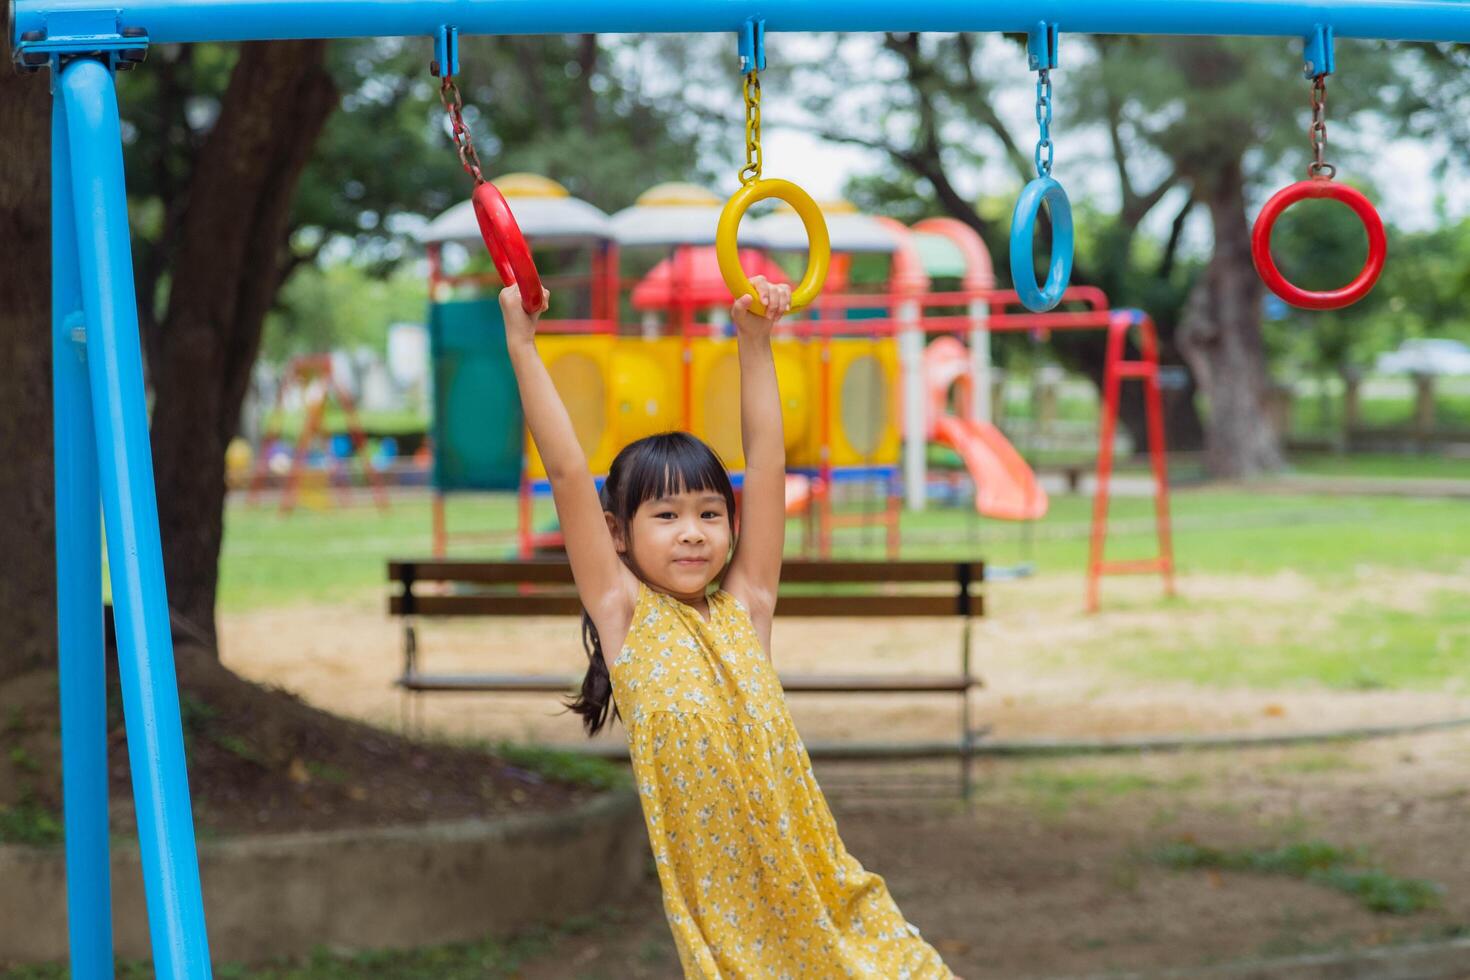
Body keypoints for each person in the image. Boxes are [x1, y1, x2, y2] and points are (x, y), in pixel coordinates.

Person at [503, 278, 956, 978]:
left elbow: (768, 461)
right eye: (667, 516)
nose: (692, 533)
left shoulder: (747, 606)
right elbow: (566, 470)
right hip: (732, 931)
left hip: (820, 889)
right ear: (617, 534)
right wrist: (523, 344)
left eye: (710, 514)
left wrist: (753, 342)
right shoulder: (624, 614)